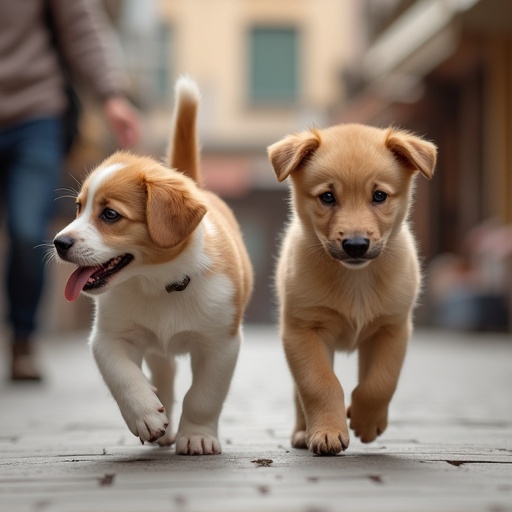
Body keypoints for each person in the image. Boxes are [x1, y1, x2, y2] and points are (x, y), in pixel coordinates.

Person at [0, 0, 140, 381]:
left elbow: (82, 27)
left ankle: (24, 339)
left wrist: (111, 94)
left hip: (35, 115)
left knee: (28, 229)